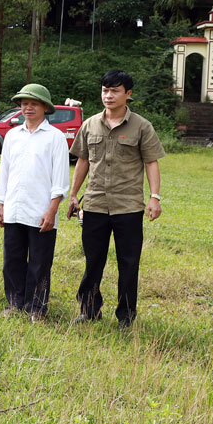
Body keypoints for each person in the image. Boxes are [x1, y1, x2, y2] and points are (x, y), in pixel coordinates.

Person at [68, 70, 165, 327]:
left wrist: (154, 197)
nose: (108, 96)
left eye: (115, 91)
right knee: (93, 262)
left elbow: (151, 162)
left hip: (128, 206)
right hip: (95, 204)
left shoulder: (142, 126)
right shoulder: (89, 125)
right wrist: (74, 194)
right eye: (105, 90)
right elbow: (83, 161)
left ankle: (126, 317)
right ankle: (89, 310)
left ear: (128, 94)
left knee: (129, 264)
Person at [0, 84, 69, 321]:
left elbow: (60, 179)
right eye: (24, 103)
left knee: (39, 262)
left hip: (41, 210)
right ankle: (15, 303)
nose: (27, 107)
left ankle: (36, 308)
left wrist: (52, 210)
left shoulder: (55, 137)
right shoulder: (13, 136)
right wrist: (0, 204)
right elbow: (4, 172)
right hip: (14, 207)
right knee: (12, 261)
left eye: (33, 103)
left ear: (45, 107)